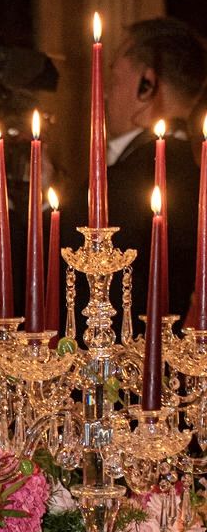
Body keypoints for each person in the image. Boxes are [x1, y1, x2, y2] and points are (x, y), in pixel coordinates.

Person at [98, 16, 206, 320]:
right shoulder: (198, 178)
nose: (105, 95)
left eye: (115, 80)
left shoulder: (115, 189)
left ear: (147, 85)